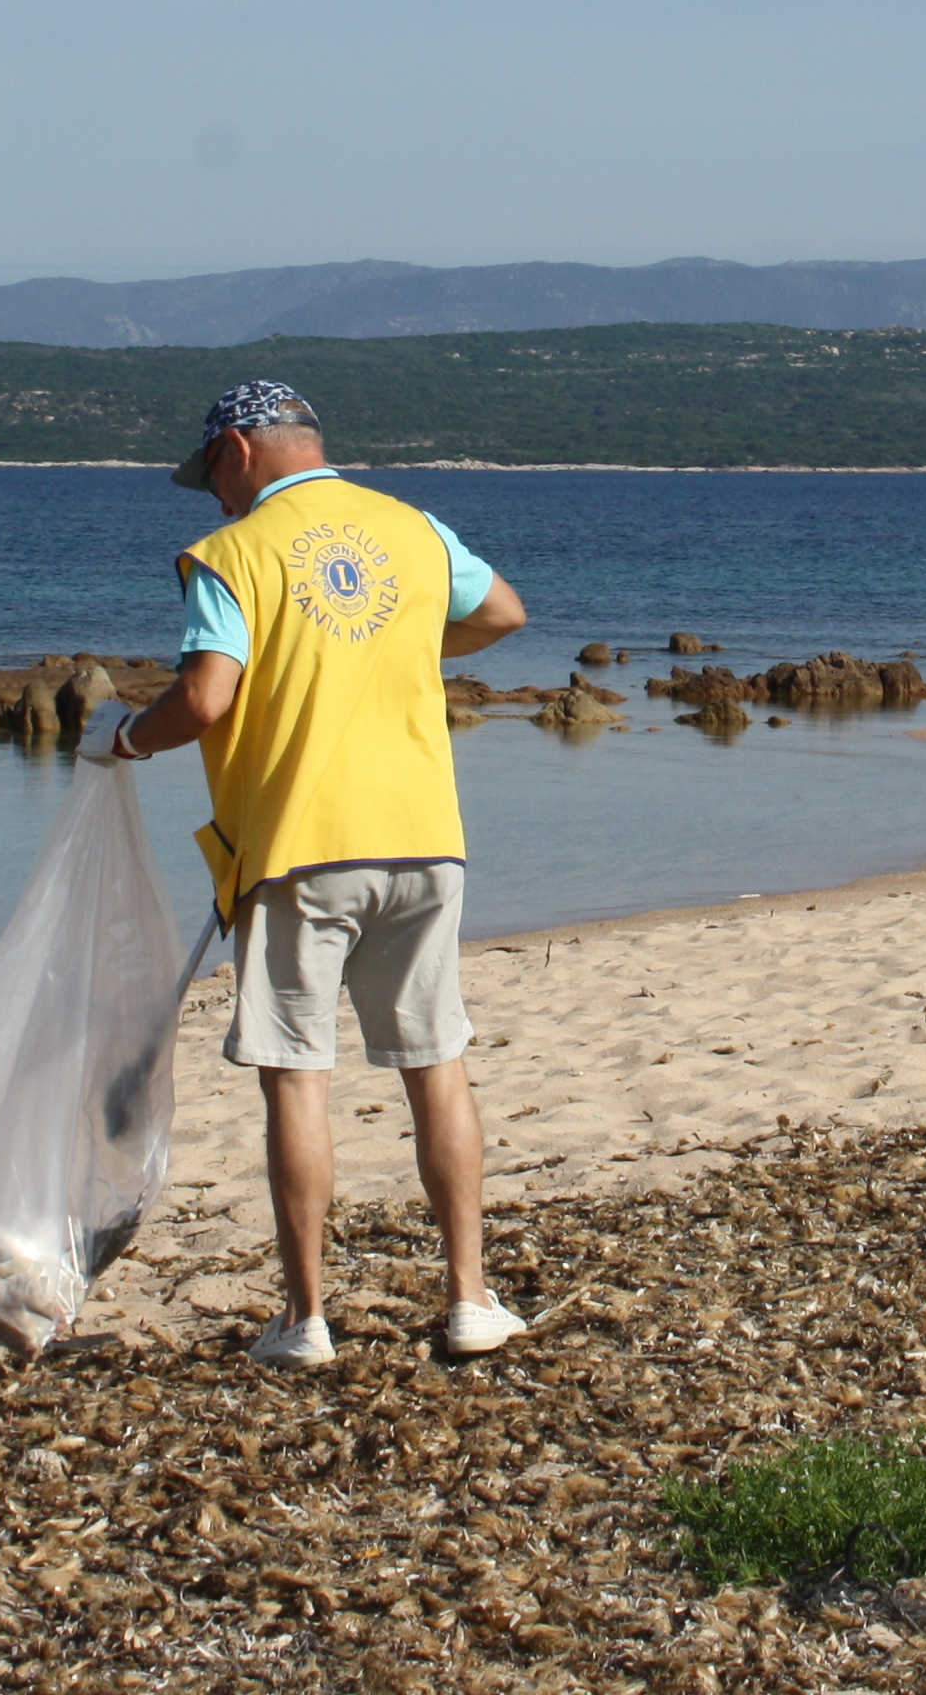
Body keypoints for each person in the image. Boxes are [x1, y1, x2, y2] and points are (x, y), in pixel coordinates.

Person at [103, 379, 531, 1367]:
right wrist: (401, 644)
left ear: (242, 451)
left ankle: (305, 1320)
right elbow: (502, 612)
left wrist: (128, 739)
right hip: (426, 837)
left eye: (210, 470)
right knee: (437, 1063)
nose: (210, 495)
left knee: (298, 1077)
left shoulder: (233, 553)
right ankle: (469, 1299)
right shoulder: (413, 529)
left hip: (299, 845)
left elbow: (207, 698)